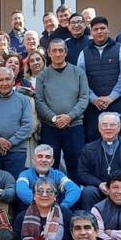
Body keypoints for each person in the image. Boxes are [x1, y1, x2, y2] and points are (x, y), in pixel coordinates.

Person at [35, 39, 89, 176]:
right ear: (48, 53)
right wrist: (54, 118)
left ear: (66, 52)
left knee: (76, 165)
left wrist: (69, 116)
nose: (57, 54)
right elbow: (40, 101)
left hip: (74, 126)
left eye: (61, 50)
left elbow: (84, 98)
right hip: (50, 127)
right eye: (54, 50)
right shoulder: (43, 75)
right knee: (49, 167)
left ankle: (75, 195)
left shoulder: (78, 73)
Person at [77, 16, 121, 143]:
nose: (99, 31)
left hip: (115, 104)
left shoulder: (120, 49)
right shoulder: (83, 53)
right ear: (91, 33)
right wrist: (93, 98)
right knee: (93, 142)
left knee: (117, 141)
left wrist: (111, 97)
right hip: (93, 108)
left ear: (108, 30)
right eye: (95, 29)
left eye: (103, 28)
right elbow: (81, 80)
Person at [77, 112, 121, 210]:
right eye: (104, 125)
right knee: (88, 192)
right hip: (99, 189)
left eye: (112, 125)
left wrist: (120, 184)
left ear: (119, 127)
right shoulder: (88, 149)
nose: (108, 128)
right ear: (99, 128)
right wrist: (99, 184)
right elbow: (82, 173)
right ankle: (90, 224)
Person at [16, 144, 81, 219]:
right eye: (40, 156)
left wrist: (62, 206)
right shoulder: (25, 174)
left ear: (52, 162)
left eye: (48, 157)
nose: (44, 160)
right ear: (33, 160)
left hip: (55, 212)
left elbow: (75, 190)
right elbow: (21, 190)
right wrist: (42, 204)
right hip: (31, 212)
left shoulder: (57, 175)